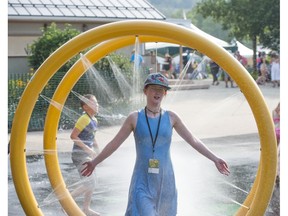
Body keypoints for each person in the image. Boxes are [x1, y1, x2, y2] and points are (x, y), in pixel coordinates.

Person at [81, 73, 230, 215]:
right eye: (153, 88)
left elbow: (193, 140)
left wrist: (215, 158)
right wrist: (94, 162)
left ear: (165, 93)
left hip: (166, 181)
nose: (157, 92)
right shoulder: (134, 118)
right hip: (142, 180)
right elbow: (115, 143)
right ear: (145, 91)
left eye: (161, 89)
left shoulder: (172, 117)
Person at [70, 94, 100, 216]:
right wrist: (88, 149)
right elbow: (73, 136)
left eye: (96, 102)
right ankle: (66, 202)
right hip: (80, 155)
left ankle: (86, 208)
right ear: (85, 107)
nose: (97, 105)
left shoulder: (94, 120)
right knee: (89, 183)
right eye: (93, 103)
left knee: (92, 182)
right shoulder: (84, 118)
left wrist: (98, 152)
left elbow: (92, 138)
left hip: (87, 155)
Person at [272, 102, 280, 186]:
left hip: (276, 132)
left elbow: (272, 123)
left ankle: (276, 173)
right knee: (277, 154)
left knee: (275, 153)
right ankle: (276, 173)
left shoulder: (274, 112)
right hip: (279, 132)